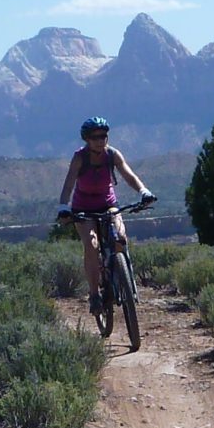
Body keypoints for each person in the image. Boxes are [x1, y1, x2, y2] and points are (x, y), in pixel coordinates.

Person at [56, 116, 154, 307]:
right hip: (83, 207)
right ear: (87, 139)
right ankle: (94, 294)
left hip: (107, 203)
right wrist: (63, 207)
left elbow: (128, 174)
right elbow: (69, 184)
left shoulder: (113, 154)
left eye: (104, 136)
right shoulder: (80, 158)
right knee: (91, 246)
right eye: (95, 137)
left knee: (120, 237)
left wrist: (144, 191)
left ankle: (123, 278)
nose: (101, 140)